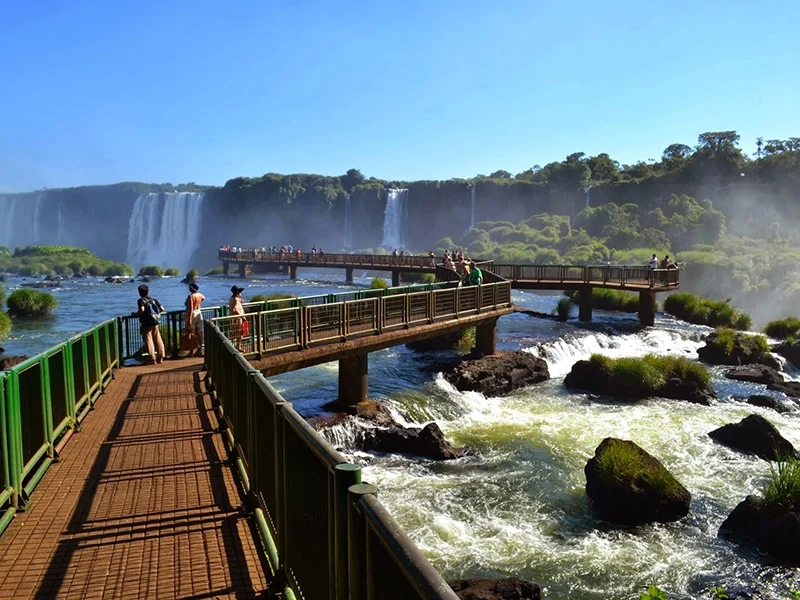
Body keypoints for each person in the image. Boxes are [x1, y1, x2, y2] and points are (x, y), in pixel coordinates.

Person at [131, 284, 165, 365]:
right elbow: (162, 309)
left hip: (146, 323)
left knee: (148, 340)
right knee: (158, 339)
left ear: (140, 292)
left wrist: (135, 314)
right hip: (155, 322)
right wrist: (156, 315)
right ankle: (160, 357)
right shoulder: (153, 299)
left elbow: (142, 310)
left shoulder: (141, 300)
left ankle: (152, 358)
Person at [185, 282, 205, 357]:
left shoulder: (191, 296)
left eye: (190, 287)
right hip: (198, 312)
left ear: (192, 288)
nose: (189, 288)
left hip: (192, 314)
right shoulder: (200, 295)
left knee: (191, 332)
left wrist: (189, 320)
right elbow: (203, 298)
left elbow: (190, 309)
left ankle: (191, 351)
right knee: (199, 332)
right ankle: (200, 349)